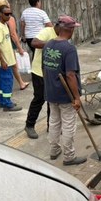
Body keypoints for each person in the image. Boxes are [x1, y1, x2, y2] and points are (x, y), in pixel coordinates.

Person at [42, 15, 86, 166]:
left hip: (51, 92)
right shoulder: (69, 49)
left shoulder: (48, 45)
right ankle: (69, 156)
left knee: (54, 122)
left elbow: (45, 69)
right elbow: (70, 74)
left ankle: (54, 151)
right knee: (68, 124)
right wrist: (76, 97)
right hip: (65, 94)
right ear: (70, 29)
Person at [24, 20, 59, 139]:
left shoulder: (62, 36)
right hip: (39, 71)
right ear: (58, 26)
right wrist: (51, 44)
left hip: (52, 73)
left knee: (52, 100)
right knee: (39, 98)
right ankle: (29, 125)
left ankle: (51, 126)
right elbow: (34, 42)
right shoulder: (47, 31)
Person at [0, 0, 29, 91]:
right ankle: (20, 84)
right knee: (12, 67)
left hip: (1, 47)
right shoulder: (8, 18)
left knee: (4, 71)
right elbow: (13, 33)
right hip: (7, 47)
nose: (9, 15)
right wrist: (19, 48)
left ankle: (15, 86)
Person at [0, 4, 22, 112]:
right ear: (0, 14)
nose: (9, 16)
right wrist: (2, 60)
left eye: (10, 14)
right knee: (7, 81)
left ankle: (2, 101)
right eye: (6, 14)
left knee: (3, 81)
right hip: (4, 61)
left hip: (8, 59)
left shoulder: (5, 24)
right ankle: (7, 104)